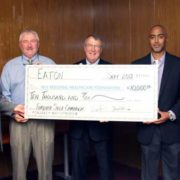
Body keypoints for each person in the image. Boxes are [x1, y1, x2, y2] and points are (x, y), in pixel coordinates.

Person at [1, 29, 55, 180]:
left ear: (38, 44)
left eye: (33, 41)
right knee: (18, 170)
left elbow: (60, 93)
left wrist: (45, 77)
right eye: (25, 41)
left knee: (46, 170)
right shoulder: (9, 67)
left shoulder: (49, 64)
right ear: (20, 45)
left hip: (44, 123)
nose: (29, 44)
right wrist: (13, 111)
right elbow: (2, 99)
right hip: (18, 123)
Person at [132, 25, 180, 180]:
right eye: (152, 37)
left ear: (165, 38)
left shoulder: (178, 64)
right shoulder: (136, 66)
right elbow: (130, 98)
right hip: (147, 131)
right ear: (149, 40)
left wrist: (170, 114)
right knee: (148, 176)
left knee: (172, 175)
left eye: (160, 36)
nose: (156, 41)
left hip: (172, 131)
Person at [70, 34, 114, 180]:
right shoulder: (73, 69)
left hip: (102, 128)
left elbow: (116, 97)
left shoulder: (112, 70)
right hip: (79, 128)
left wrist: (110, 111)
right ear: (84, 48)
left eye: (97, 46)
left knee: (105, 168)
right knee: (78, 170)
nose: (93, 49)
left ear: (101, 50)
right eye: (90, 45)